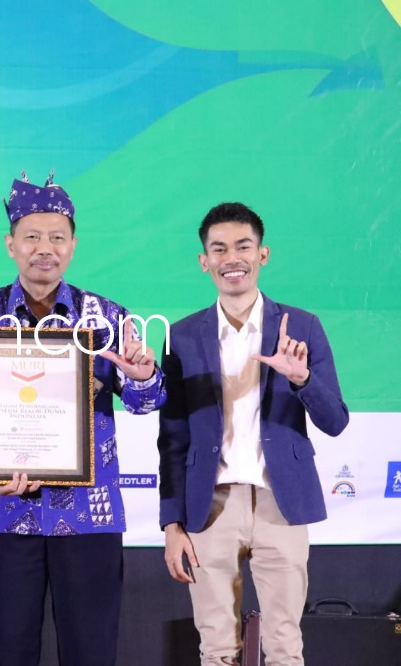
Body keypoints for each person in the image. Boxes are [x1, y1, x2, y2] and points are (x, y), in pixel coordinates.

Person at [0, 171, 166, 666]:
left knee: (91, 651)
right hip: (5, 516)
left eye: (57, 237)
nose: (46, 248)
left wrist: (143, 374)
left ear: (73, 245)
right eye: (33, 237)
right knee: (7, 652)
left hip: (89, 517)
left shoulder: (106, 316)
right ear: (10, 244)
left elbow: (147, 402)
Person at [157, 202, 349, 666]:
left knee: (285, 644)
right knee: (216, 648)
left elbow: (335, 421)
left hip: (280, 503)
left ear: (263, 254)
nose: (232, 258)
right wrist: (171, 524)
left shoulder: (301, 327)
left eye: (243, 246)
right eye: (218, 249)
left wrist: (301, 380)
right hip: (210, 506)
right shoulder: (181, 337)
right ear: (204, 261)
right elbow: (172, 437)